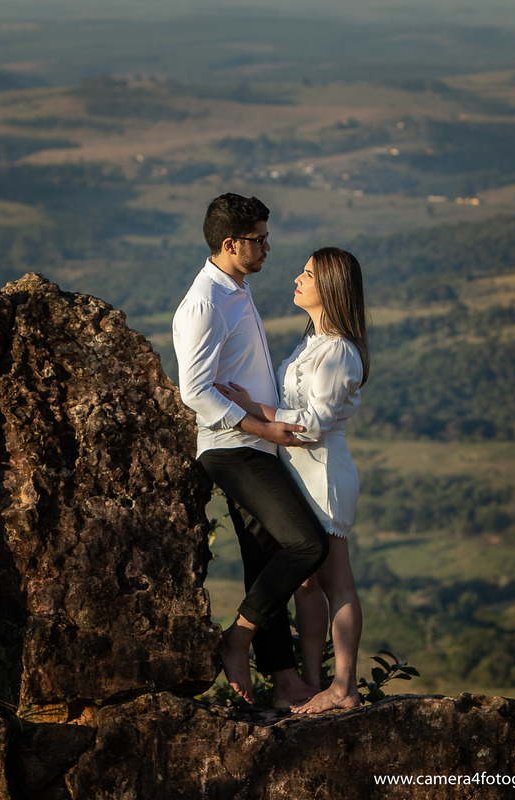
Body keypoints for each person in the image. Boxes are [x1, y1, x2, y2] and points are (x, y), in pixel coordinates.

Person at [172, 193, 330, 709]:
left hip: (253, 445)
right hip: (231, 448)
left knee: (265, 559)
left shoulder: (235, 288)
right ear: (229, 243)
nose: (268, 247)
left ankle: (283, 682)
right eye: (258, 239)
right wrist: (262, 430)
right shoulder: (205, 302)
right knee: (308, 545)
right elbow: (194, 390)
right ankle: (236, 640)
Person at [218, 246, 369, 714]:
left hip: (323, 473)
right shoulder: (311, 342)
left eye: (308, 274)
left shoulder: (340, 349)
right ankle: (311, 682)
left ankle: (343, 687)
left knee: (336, 580)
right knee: (305, 584)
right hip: (297, 471)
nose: (297, 280)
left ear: (332, 287)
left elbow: (315, 425)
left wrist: (252, 410)